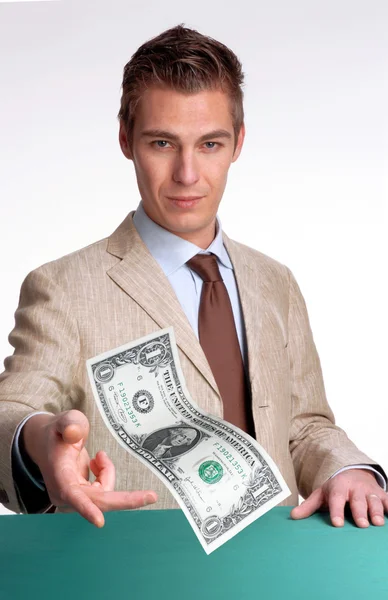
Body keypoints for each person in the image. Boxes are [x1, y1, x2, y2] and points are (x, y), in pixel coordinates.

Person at [0, 25, 386, 529]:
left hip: (278, 568)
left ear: (238, 143)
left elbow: (303, 425)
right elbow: (12, 409)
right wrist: (38, 437)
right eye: (162, 142)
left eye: (209, 144)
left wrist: (348, 468)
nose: (187, 174)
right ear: (126, 140)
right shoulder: (65, 288)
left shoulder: (276, 282)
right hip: (143, 572)